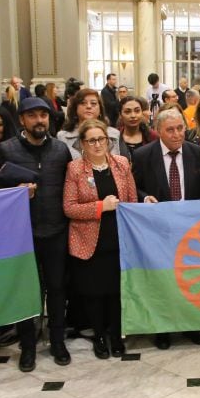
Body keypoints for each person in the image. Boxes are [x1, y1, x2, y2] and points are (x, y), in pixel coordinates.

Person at [0, 97, 73, 371]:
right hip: (21, 235)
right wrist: (17, 191)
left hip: (56, 231)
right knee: (27, 291)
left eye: (43, 116)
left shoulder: (60, 150)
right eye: (33, 116)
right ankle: (28, 346)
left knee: (58, 289)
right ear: (22, 120)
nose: (39, 121)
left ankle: (57, 341)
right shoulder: (6, 150)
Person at [132, 109, 200, 349]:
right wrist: (145, 198)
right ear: (159, 131)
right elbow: (134, 187)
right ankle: (163, 329)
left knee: (192, 280)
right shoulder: (144, 155)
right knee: (164, 281)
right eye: (170, 130)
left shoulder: (197, 152)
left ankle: (193, 326)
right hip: (159, 230)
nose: (177, 134)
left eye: (180, 128)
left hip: (191, 229)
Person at [64, 119, 138, 358]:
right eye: (91, 140)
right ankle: (98, 337)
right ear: (82, 144)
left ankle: (116, 336)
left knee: (116, 291)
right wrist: (100, 207)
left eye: (101, 139)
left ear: (108, 140)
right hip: (89, 241)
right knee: (94, 293)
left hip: (117, 239)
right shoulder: (75, 169)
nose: (97, 144)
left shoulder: (122, 164)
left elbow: (132, 200)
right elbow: (69, 208)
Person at [58, 88, 124, 159]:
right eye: (83, 103)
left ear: (100, 109)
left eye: (93, 103)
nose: (88, 106)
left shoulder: (114, 134)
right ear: (75, 108)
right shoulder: (63, 136)